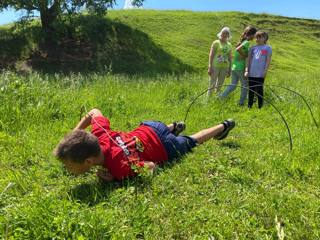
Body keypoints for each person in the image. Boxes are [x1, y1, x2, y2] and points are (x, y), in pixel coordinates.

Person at [54, 108, 236, 181]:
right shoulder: (100, 134)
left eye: (70, 167)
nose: (69, 170)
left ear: (88, 162)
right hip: (152, 126)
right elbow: (93, 111)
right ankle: (174, 126)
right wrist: (75, 132)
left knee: (193, 140)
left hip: (166, 146)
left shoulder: (119, 169)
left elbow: (151, 167)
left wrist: (114, 181)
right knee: (145, 134)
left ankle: (223, 126)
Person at [219, 26, 257, 105]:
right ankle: (241, 103)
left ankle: (221, 97)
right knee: (245, 86)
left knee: (233, 85)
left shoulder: (242, 41)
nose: (255, 37)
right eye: (255, 35)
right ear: (252, 34)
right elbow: (238, 49)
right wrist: (245, 55)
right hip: (240, 68)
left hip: (234, 67)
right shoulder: (247, 42)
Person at [245, 31, 272, 108]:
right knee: (251, 90)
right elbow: (248, 60)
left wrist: (265, 72)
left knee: (259, 90)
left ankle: (260, 106)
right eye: (256, 37)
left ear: (265, 38)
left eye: (260, 37)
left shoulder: (267, 48)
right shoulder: (252, 48)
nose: (258, 39)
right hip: (251, 73)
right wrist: (247, 70)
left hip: (260, 74)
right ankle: (249, 106)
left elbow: (268, 61)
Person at [207, 27, 233, 96]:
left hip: (225, 67)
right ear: (221, 33)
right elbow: (211, 55)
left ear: (228, 35)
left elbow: (230, 58)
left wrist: (230, 69)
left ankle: (217, 98)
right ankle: (208, 100)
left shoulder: (229, 45)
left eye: (226, 33)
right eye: (223, 33)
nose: (224, 34)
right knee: (212, 84)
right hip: (215, 66)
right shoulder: (216, 42)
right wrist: (210, 66)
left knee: (220, 85)